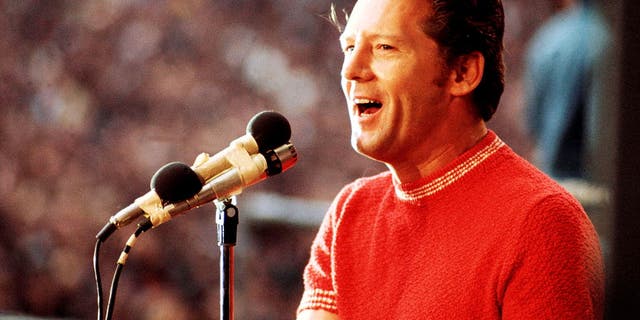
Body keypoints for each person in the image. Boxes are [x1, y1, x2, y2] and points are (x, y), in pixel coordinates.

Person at [296, 0, 604, 319]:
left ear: (462, 72)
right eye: (349, 47)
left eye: (384, 47)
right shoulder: (350, 211)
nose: (351, 70)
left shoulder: (542, 222)